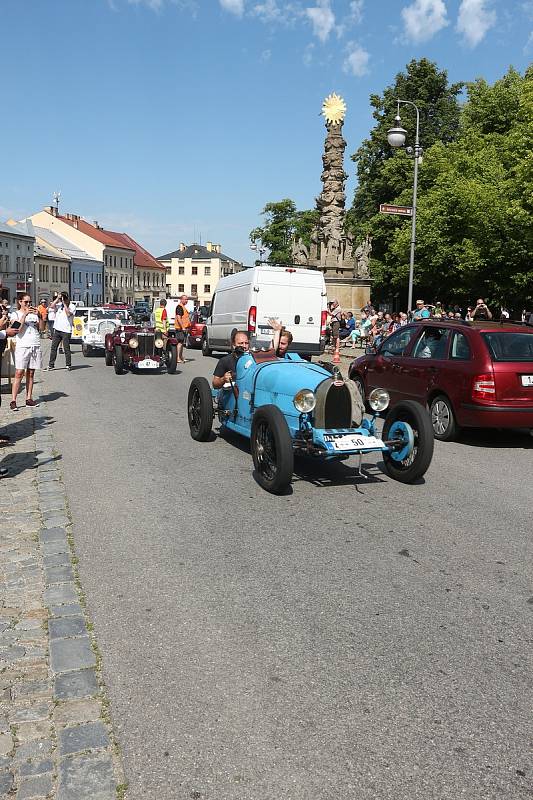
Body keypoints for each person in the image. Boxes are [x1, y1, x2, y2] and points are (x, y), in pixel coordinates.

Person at [9, 294, 42, 410]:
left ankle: (29, 398)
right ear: (20, 302)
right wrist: (25, 314)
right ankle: (13, 400)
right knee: (19, 372)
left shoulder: (34, 315)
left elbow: (41, 328)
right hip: (23, 346)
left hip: (34, 344)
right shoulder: (15, 314)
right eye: (26, 302)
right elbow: (16, 329)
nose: (28, 304)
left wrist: (40, 316)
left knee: (31, 372)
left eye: (30, 302)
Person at [46, 292, 75, 371]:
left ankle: (68, 365)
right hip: (57, 329)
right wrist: (57, 299)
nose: (62, 299)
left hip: (66, 330)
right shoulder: (59, 305)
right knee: (53, 348)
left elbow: (68, 314)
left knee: (66, 348)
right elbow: (51, 306)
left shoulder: (72, 306)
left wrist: (65, 304)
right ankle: (51, 365)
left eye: (64, 297)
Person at [174, 294, 191, 364]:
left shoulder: (183, 307)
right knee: (180, 343)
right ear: (181, 299)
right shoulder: (179, 307)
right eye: (185, 299)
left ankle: (181, 357)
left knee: (182, 343)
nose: (186, 301)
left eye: (187, 299)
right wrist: (183, 327)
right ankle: (178, 358)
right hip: (180, 328)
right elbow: (178, 317)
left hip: (184, 328)